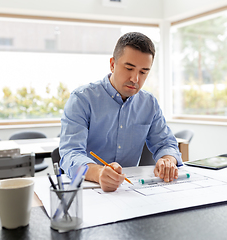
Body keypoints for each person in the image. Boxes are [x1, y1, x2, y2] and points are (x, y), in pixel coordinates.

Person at [59, 32, 182, 192]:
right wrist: (99, 173)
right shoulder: (82, 99)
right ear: (112, 64)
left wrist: (167, 160)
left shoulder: (149, 103)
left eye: (143, 72)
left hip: (129, 190)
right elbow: (70, 152)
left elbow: (166, 143)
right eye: (129, 68)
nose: (135, 79)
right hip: (88, 188)